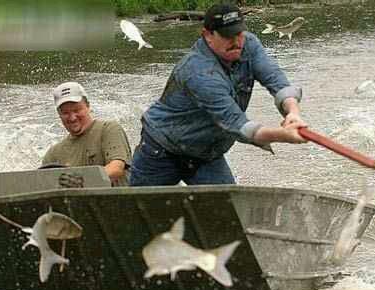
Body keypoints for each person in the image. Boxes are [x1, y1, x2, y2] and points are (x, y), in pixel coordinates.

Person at [129, 3, 308, 186]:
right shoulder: (198, 72)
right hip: (160, 151)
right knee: (138, 211)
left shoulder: (249, 43)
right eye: (227, 36)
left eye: (239, 34)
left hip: (207, 153)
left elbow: (276, 80)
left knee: (226, 213)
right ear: (207, 35)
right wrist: (283, 135)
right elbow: (238, 125)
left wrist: (293, 112)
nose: (236, 42)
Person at [42, 81, 132, 186]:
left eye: (77, 110)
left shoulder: (108, 129)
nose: (72, 118)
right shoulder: (53, 154)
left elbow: (116, 168)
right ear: (59, 115)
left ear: (88, 106)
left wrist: (82, 181)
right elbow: (44, 185)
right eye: (65, 113)